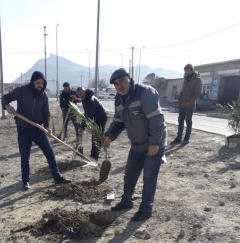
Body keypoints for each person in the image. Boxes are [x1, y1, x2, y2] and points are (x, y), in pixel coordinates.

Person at [103, 68, 167, 221]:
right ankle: (127, 201)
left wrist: (154, 143)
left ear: (129, 78)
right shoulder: (118, 99)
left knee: (149, 178)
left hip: (153, 143)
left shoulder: (145, 93)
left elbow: (156, 119)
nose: (119, 86)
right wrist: (110, 136)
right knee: (130, 175)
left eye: (122, 81)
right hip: (136, 145)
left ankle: (145, 209)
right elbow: (118, 121)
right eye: (116, 84)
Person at [2, 71, 71, 190]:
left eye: (42, 83)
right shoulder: (22, 91)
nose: (40, 85)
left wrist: (47, 126)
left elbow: (46, 113)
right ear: (33, 81)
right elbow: (5, 98)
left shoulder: (43, 96)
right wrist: (7, 106)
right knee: (25, 156)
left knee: (49, 152)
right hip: (23, 129)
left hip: (39, 129)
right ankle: (25, 181)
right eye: (38, 82)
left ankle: (57, 176)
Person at [171, 64, 202, 146]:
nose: (185, 73)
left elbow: (198, 92)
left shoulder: (197, 79)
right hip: (182, 104)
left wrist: (190, 101)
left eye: (186, 71)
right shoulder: (186, 79)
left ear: (190, 70)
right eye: (184, 71)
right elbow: (182, 91)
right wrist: (178, 101)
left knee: (188, 122)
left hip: (189, 105)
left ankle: (186, 138)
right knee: (180, 121)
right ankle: (178, 138)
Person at [76, 87, 108, 160]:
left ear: (85, 91)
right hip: (96, 117)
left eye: (81, 93)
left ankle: (94, 156)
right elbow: (86, 113)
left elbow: (88, 116)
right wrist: (82, 125)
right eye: (78, 94)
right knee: (95, 136)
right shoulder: (85, 98)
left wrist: (82, 128)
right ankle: (93, 155)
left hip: (101, 117)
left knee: (96, 136)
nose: (80, 95)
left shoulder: (90, 100)